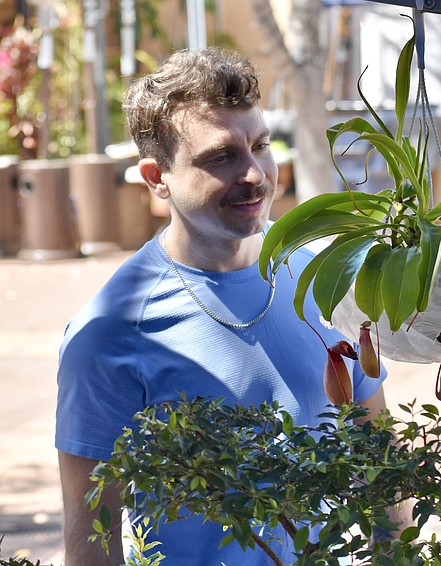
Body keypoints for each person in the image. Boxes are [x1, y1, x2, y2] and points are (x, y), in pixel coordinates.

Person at [55, 47, 389, 566]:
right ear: (155, 177)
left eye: (261, 146)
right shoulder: (111, 331)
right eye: (221, 157)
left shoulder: (328, 275)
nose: (254, 174)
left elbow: (380, 454)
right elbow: (90, 537)